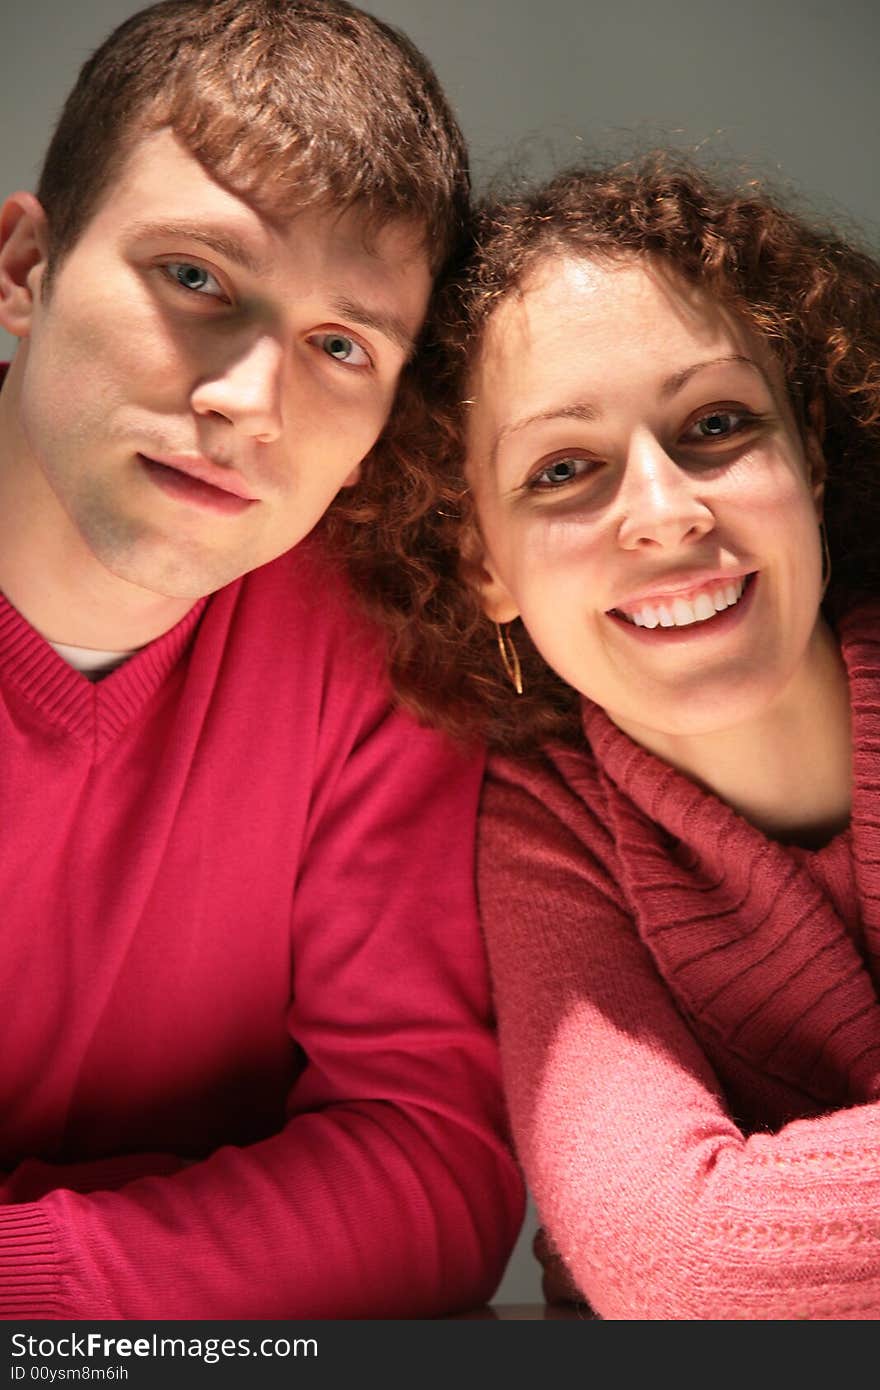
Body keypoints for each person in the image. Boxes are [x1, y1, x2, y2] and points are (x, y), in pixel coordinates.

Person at [0, 0, 525, 1320]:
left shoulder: (383, 653)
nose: (247, 399)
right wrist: (211, 1238)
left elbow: (430, 1178)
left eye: (339, 345)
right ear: (23, 265)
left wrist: (37, 1279)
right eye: (195, 278)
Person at [340, 154, 880, 1318]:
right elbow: (673, 1261)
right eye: (565, 469)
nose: (667, 510)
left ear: (811, 457)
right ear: (481, 561)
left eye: (718, 423)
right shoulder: (544, 823)